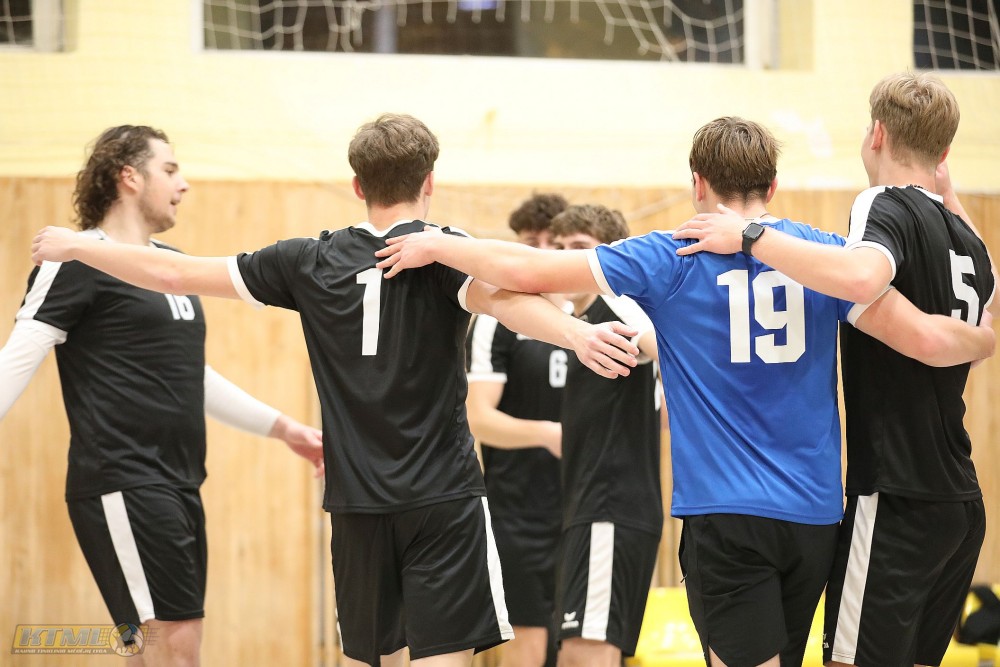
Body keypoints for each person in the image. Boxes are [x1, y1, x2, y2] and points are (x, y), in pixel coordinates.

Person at [370, 116, 994, 667]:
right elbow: (920, 335)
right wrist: (983, 334)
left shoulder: (671, 255)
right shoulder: (826, 256)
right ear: (773, 186)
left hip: (725, 513)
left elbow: (527, 270)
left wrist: (439, 243)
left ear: (697, 183)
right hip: (814, 514)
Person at [28, 113, 641, 667]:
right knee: (443, 657)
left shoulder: (307, 260)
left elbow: (172, 272)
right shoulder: (443, 252)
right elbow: (508, 296)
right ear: (429, 181)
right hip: (443, 494)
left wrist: (79, 245)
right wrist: (575, 334)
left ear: (356, 185)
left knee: (372, 657)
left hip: (357, 501)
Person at [672, 74, 997, 667]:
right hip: (960, 500)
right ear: (945, 153)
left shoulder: (881, 203)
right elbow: (978, 314)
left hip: (894, 493)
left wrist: (749, 235)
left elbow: (862, 279)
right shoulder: (968, 240)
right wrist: (983, 337)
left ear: (877, 134)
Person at [0, 125, 324, 667]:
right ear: (129, 177)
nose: (184, 184)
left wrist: (286, 429)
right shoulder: (74, 259)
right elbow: (16, 359)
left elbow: (191, 377)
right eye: (170, 170)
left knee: (153, 650)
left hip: (180, 482)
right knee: (174, 647)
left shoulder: (170, 265)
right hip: (123, 479)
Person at [547, 204, 663, 667]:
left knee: (587, 653)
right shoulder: (575, 323)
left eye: (579, 248)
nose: (565, 258)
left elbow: (664, 348)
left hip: (610, 508)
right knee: (581, 653)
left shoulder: (614, 308)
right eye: (560, 249)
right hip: (592, 509)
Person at [464, 192, 568, 667]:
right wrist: (549, 434)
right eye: (530, 242)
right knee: (528, 643)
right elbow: (480, 418)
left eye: (552, 242)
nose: (541, 252)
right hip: (519, 512)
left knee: (580, 646)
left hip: (584, 506)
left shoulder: (591, 314)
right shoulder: (497, 320)